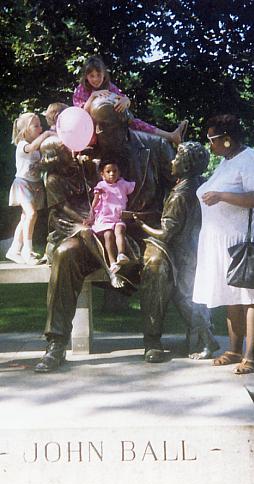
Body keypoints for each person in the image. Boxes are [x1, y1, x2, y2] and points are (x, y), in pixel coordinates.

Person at [34, 96, 175, 373]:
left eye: (104, 127)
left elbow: (179, 186)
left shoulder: (155, 147)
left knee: (156, 263)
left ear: (123, 123)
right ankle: (56, 343)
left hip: (142, 230)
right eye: (94, 126)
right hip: (97, 230)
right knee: (65, 254)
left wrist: (171, 225)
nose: (96, 134)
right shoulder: (82, 151)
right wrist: (81, 227)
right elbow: (65, 195)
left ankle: (153, 340)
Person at [192, 114, 254, 375]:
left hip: (247, 240)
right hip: (223, 241)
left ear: (226, 139)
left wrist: (222, 195)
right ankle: (234, 350)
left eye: (212, 140)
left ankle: (252, 357)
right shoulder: (226, 162)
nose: (209, 145)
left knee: (252, 298)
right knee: (230, 296)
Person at [133, 142, 220, 363]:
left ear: (187, 165)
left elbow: (166, 233)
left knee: (185, 297)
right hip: (195, 248)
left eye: (176, 159)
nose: (172, 162)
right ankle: (206, 338)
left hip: (182, 253)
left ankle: (208, 339)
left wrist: (141, 226)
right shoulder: (199, 185)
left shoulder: (180, 194)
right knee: (191, 296)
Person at [73, 55, 188, 145]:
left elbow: (124, 99)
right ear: (86, 76)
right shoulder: (81, 89)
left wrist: (125, 101)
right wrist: (93, 96)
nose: (95, 79)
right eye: (91, 76)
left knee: (135, 123)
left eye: (98, 75)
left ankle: (171, 136)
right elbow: (80, 115)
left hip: (113, 126)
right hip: (91, 128)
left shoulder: (109, 87)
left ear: (104, 74)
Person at [6, 113, 54, 265]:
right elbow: (31, 148)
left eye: (41, 125)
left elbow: (40, 162)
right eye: (36, 126)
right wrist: (47, 133)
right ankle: (28, 251)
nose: (41, 128)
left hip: (35, 185)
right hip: (23, 184)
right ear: (25, 130)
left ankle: (14, 250)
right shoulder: (22, 145)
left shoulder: (38, 148)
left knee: (25, 218)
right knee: (31, 214)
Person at [85, 160, 136, 274]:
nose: (112, 174)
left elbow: (135, 187)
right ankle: (112, 262)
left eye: (114, 171)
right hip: (105, 217)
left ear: (119, 172)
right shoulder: (101, 186)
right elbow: (95, 202)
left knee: (120, 230)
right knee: (108, 235)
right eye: (108, 172)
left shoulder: (123, 184)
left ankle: (121, 254)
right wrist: (91, 216)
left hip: (118, 216)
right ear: (102, 174)